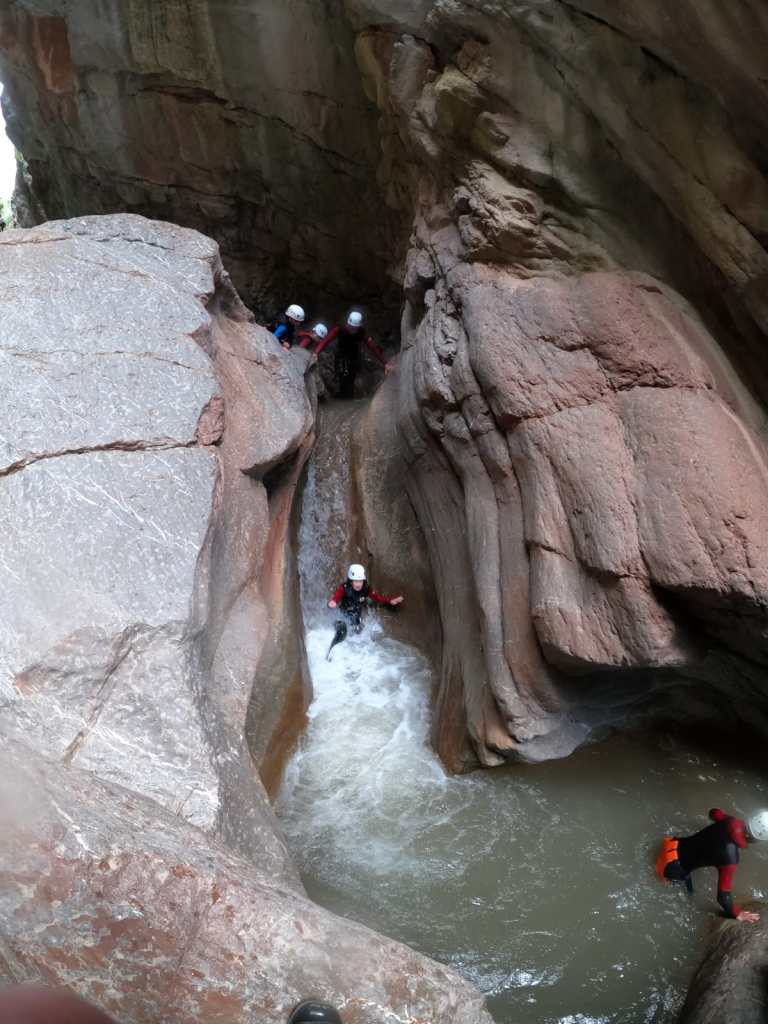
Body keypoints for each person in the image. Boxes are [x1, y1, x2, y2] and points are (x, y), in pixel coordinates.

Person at [656, 807, 768, 921]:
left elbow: (713, 812)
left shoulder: (730, 821)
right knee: (689, 895)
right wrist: (738, 914)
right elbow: (723, 897)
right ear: (757, 840)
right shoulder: (731, 859)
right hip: (672, 869)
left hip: (671, 843)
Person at [325, 564, 404, 658]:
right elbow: (336, 597)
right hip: (342, 617)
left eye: (360, 581)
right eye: (356, 581)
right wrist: (333, 602)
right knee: (342, 630)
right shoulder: (344, 588)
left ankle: (351, 656)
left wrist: (390, 601)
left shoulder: (366, 588)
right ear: (350, 581)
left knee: (357, 634)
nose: (358, 584)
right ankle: (330, 651)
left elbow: (377, 598)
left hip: (355, 618)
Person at [314, 310, 392, 399]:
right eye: (351, 327)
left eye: (355, 328)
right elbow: (326, 340)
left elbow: (372, 347)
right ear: (348, 324)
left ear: (358, 327)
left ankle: (347, 398)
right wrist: (316, 353)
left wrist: (385, 363)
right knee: (341, 377)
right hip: (341, 356)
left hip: (354, 357)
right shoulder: (339, 329)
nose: (352, 330)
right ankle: (341, 397)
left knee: (350, 379)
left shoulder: (362, 332)